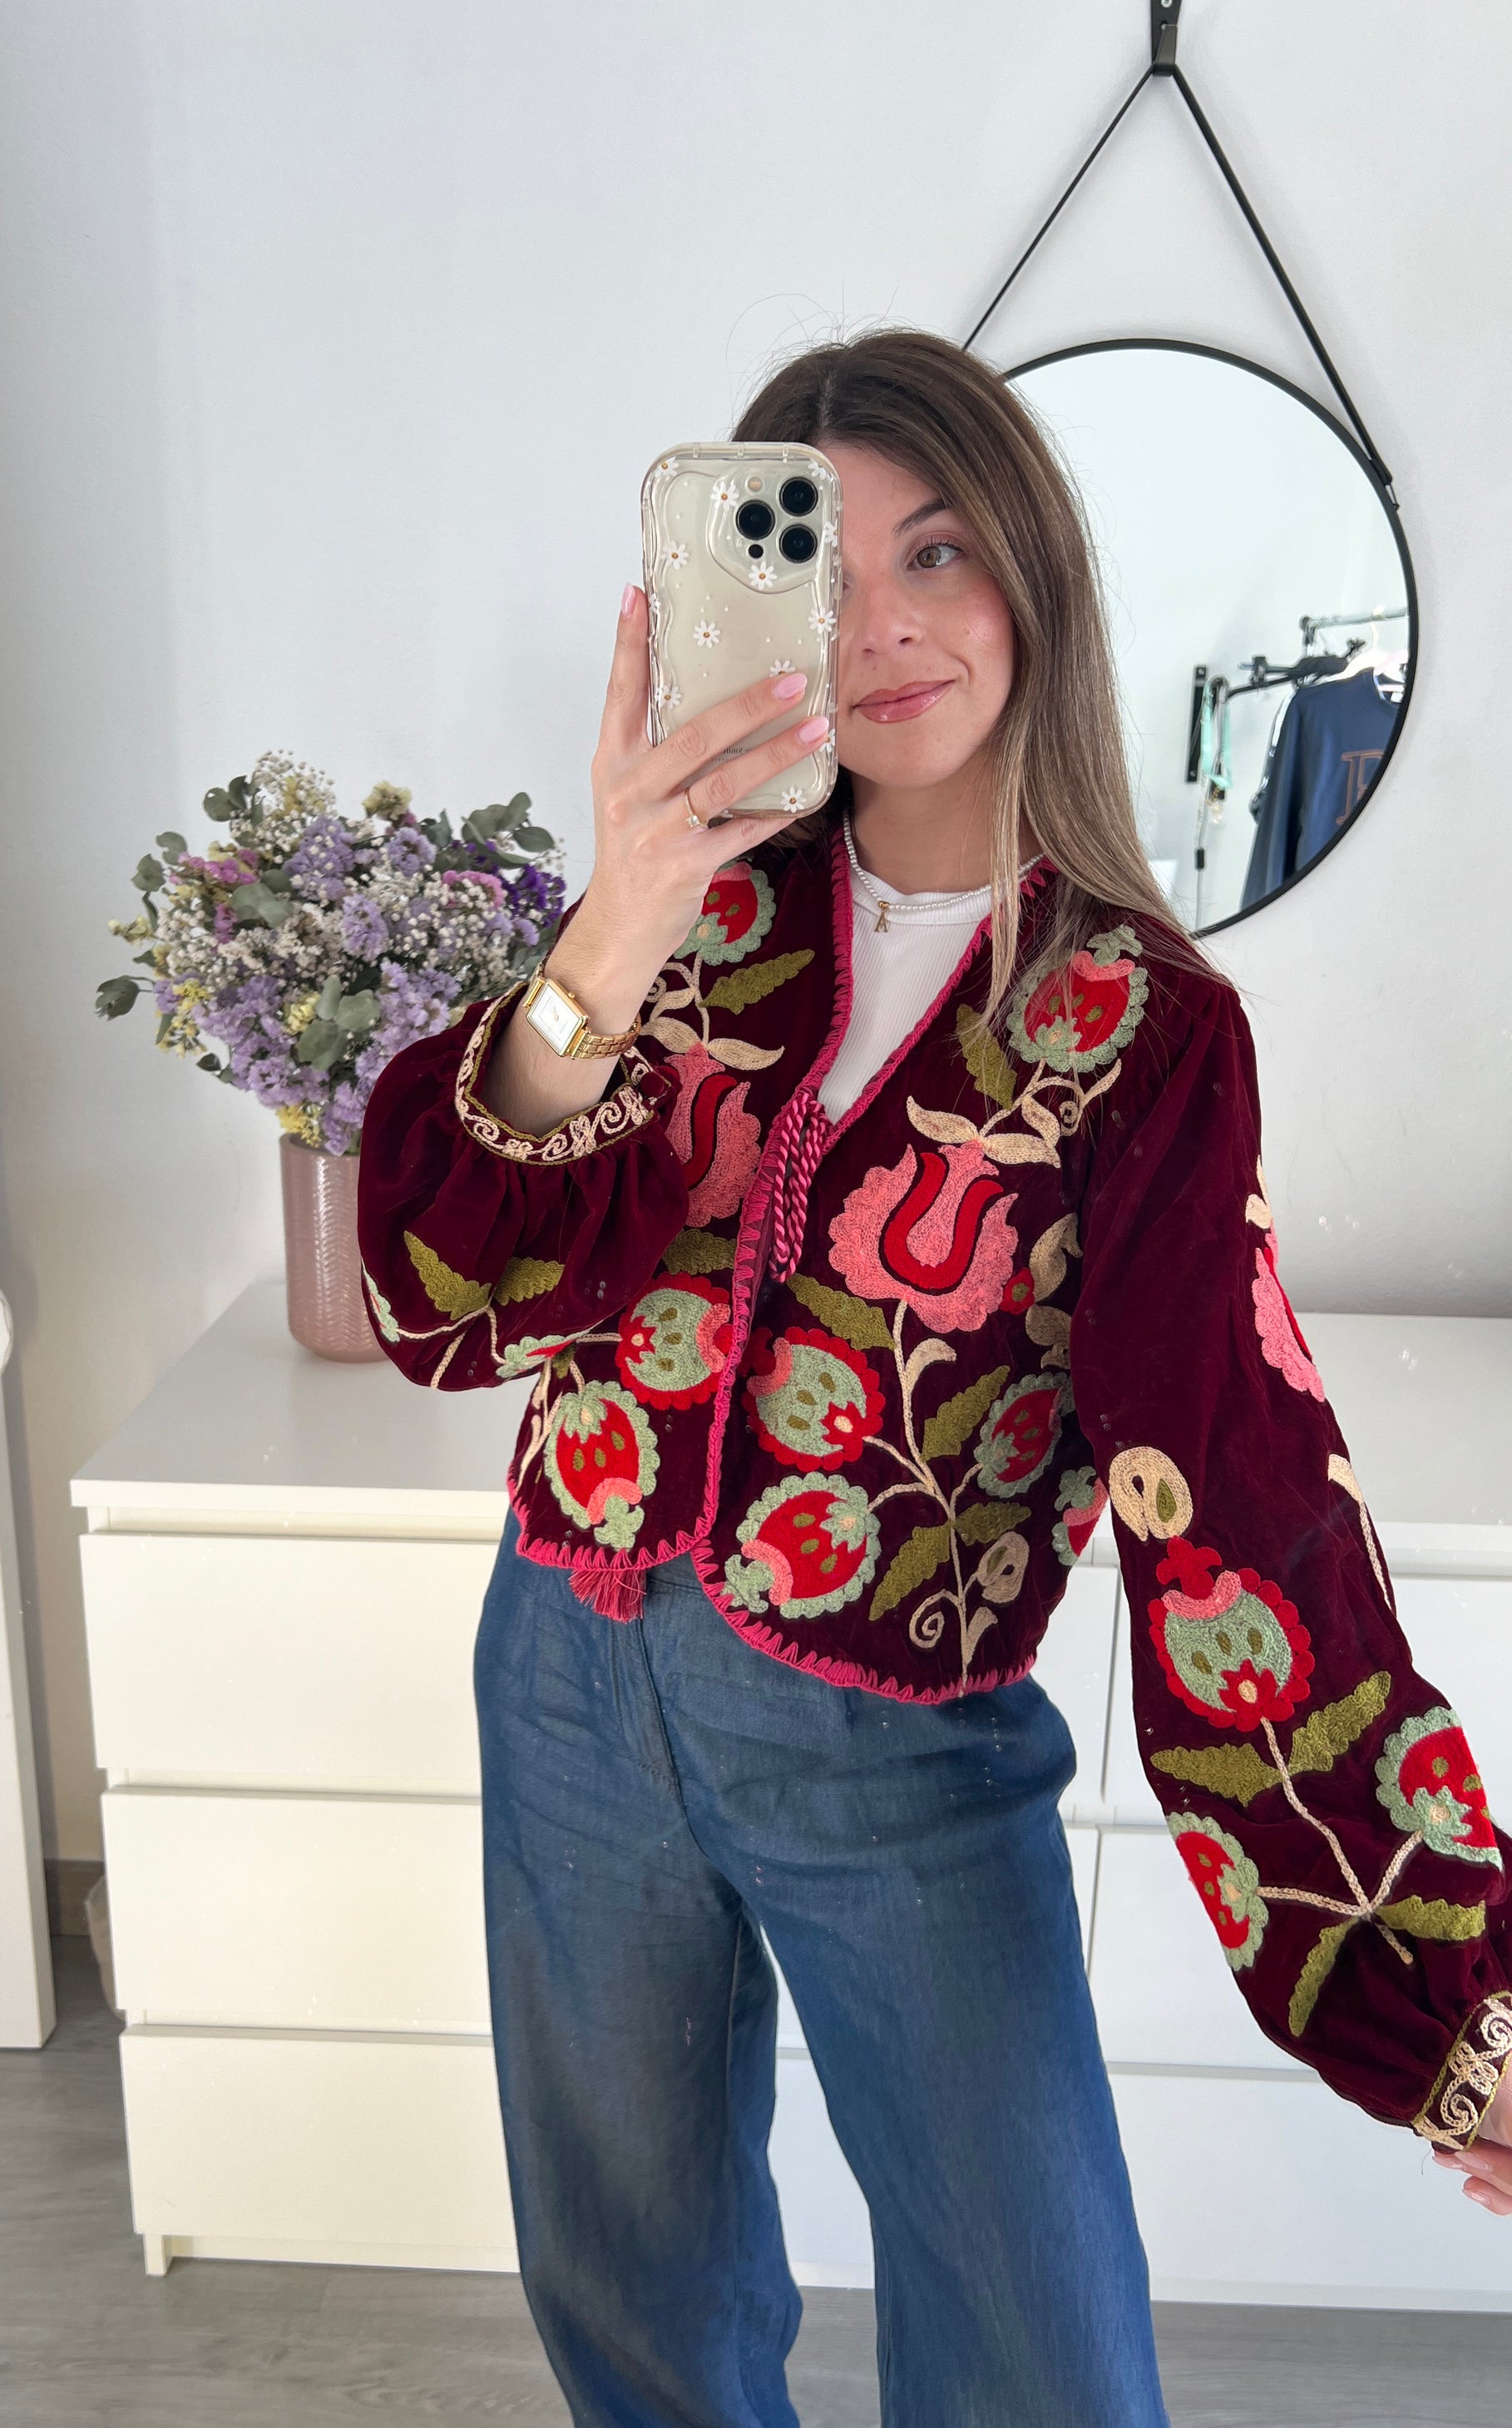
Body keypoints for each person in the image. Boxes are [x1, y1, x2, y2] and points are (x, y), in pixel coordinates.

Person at [356, 330, 1511, 2428]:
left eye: (939, 550)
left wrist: (1447, 1989)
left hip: (890, 1730)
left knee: (1035, 2344)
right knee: (630, 2290)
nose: (880, 622)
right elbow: (445, 1302)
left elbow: (1230, 1478)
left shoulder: (1141, 1022)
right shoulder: (686, 917)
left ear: (1031, 577)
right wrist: (616, 918)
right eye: (824, 568)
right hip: (566, 1664)